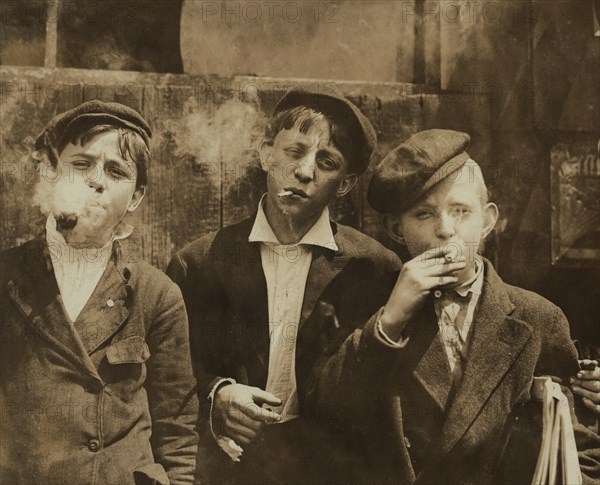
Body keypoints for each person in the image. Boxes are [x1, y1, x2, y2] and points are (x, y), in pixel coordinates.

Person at [307, 129, 600, 484]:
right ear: (396, 229)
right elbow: (325, 410)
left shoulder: (537, 317)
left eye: (461, 211)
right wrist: (390, 320)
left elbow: (581, 452)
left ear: (488, 220)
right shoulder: (369, 306)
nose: (445, 230)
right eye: (423, 215)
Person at [166, 87, 401, 483]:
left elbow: (383, 391)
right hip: (230, 470)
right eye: (294, 151)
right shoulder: (200, 262)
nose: (306, 171)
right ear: (266, 155)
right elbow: (169, 370)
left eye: (327, 162)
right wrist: (216, 394)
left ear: (344, 184)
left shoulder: (373, 270)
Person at [0, 101, 198, 485]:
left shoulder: (156, 295)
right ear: (51, 175)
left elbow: (178, 436)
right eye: (80, 164)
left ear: (136, 197)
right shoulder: (6, 276)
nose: (96, 180)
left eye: (115, 170)